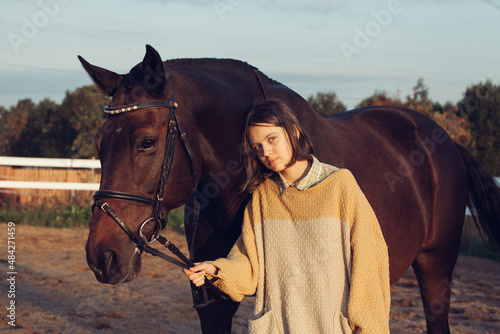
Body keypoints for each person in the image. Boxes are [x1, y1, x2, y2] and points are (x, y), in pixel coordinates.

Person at [184, 100, 390, 333]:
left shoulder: (340, 186)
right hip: (279, 326)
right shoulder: (263, 196)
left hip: (331, 326)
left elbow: (369, 265)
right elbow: (249, 264)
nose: (266, 152)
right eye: (257, 147)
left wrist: (369, 327)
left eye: (271, 139)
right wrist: (216, 270)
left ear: (293, 130)